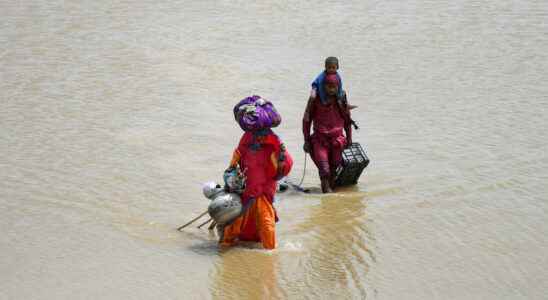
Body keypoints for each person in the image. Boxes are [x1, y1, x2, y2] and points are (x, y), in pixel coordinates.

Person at [220, 98, 292, 250]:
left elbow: (282, 169)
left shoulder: (274, 143)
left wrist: (280, 158)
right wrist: (231, 179)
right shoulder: (246, 140)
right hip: (245, 193)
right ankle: (224, 250)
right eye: (257, 134)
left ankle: (269, 255)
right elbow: (233, 164)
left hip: (262, 194)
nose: (259, 136)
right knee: (233, 227)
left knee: (267, 226)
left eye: (262, 134)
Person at [303, 72, 354, 193]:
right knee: (324, 169)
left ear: (338, 86)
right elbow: (306, 120)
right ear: (323, 86)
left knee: (334, 168)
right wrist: (306, 140)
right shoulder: (315, 99)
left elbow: (347, 120)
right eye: (329, 86)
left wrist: (349, 138)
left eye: (334, 87)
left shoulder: (341, 100)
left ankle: (329, 202)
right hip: (320, 140)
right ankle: (327, 193)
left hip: (337, 141)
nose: (332, 89)